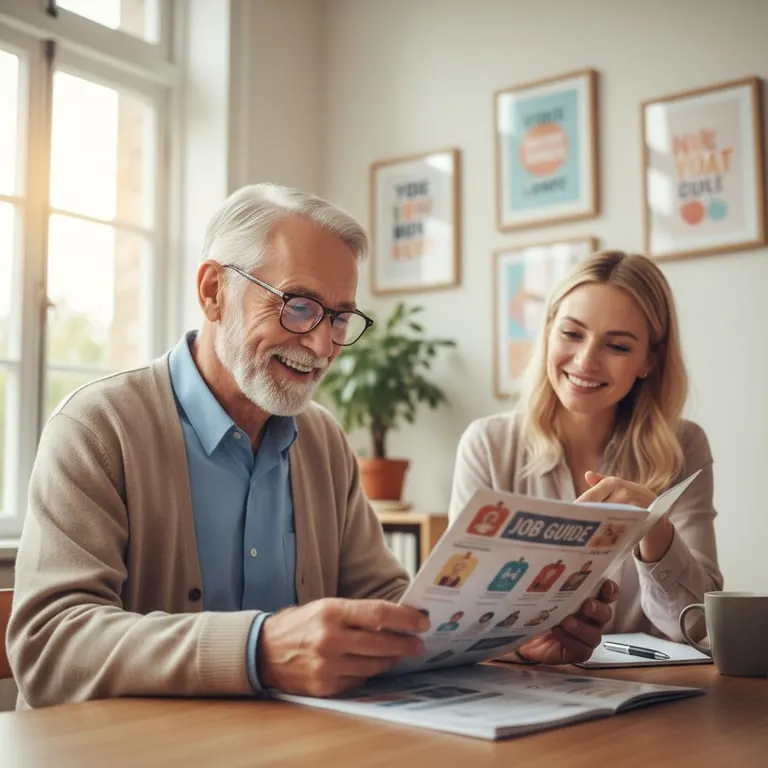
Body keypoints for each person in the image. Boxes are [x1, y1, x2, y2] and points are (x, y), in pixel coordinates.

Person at [8, 184, 618, 709]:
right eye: (298, 306)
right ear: (214, 290)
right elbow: (50, 644)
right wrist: (260, 650)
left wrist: (508, 636)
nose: (323, 346)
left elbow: (384, 601)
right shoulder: (97, 426)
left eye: (338, 318)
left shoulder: (322, 439)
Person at [450, 250, 722, 642]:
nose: (585, 361)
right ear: (547, 331)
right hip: (520, 686)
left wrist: (655, 528)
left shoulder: (683, 446)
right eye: (572, 333)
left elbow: (698, 626)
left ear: (649, 360)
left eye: (618, 346)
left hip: (652, 693)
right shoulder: (488, 445)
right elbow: (460, 614)